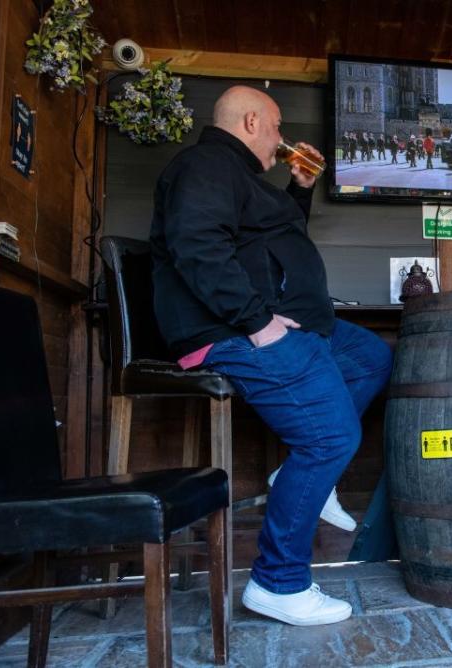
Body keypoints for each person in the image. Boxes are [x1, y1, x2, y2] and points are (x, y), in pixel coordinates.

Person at [149, 85, 392, 626]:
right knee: (329, 436)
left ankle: (300, 480)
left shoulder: (243, 178)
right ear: (253, 121)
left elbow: (276, 237)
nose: (283, 139)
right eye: (279, 127)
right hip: (232, 330)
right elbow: (198, 246)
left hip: (294, 323)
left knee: (372, 357)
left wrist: (300, 189)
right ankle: (278, 582)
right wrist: (257, 322)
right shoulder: (206, 164)